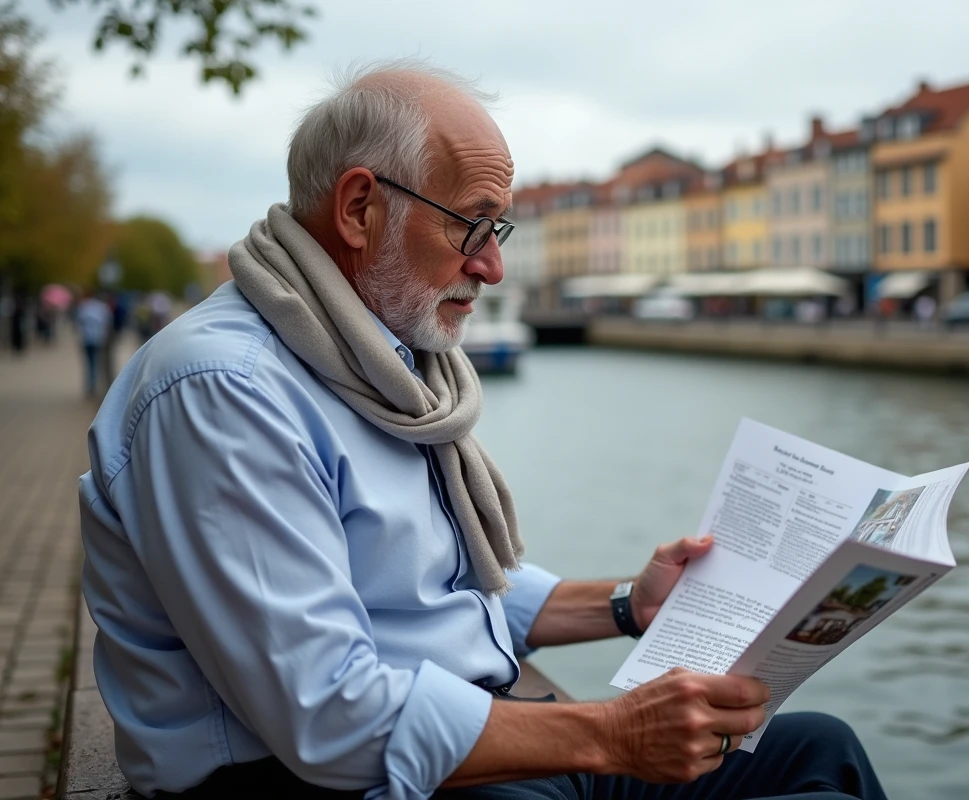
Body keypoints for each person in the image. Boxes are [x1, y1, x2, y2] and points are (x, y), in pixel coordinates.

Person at [78, 61, 887, 800]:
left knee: (820, 750)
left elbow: (441, 588)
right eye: (472, 223)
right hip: (337, 781)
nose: (492, 267)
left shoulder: (376, 360)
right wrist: (614, 731)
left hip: (465, 743)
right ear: (360, 209)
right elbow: (327, 716)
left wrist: (626, 605)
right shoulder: (225, 391)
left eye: (498, 231)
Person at [75, 289, 111, 397]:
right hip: (98, 338)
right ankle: (96, 386)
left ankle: (91, 386)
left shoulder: (83, 307)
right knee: (97, 363)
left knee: (90, 363)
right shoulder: (101, 307)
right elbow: (107, 322)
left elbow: (79, 323)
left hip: (87, 338)